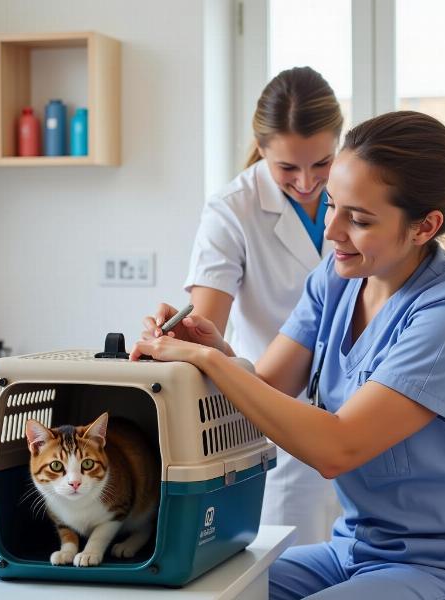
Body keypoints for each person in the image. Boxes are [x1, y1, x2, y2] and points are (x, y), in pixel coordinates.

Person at [132, 110, 445, 599]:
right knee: (208, 592)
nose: (332, 230)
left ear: (425, 226)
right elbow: (268, 388)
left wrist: (212, 365)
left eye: (358, 219)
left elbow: (336, 448)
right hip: (354, 552)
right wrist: (211, 348)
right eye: (332, 204)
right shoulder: (337, 284)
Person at [165, 66, 343, 545]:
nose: (307, 182)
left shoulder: (358, 196)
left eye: (322, 163)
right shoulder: (232, 209)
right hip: (278, 418)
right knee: (285, 568)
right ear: (261, 148)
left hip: (358, 417)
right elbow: (204, 323)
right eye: (287, 168)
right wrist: (185, 341)